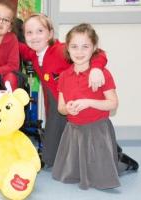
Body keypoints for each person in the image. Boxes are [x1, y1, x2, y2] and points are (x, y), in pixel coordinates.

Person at [19, 14, 107, 168]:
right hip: (55, 102)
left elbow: (98, 53)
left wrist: (96, 69)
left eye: (40, 31)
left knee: (84, 138)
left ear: (50, 34)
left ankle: (114, 157)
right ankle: (58, 158)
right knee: (54, 147)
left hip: (74, 100)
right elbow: (12, 46)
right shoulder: (33, 53)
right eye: (29, 32)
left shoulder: (60, 50)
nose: (34, 37)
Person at [52, 23, 121, 189]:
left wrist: (88, 103)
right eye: (74, 47)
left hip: (97, 130)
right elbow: (60, 107)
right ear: (67, 48)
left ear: (94, 48)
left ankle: (122, 161)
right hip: (73, 132)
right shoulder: (63, 76)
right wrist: (67, 108)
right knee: (71, 174)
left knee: (101, 176)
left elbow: (113, 103)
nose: (79, 52)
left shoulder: (102, 74)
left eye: (85, 47)